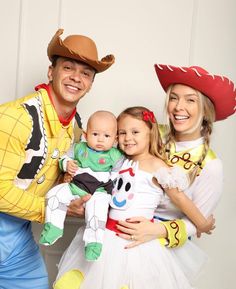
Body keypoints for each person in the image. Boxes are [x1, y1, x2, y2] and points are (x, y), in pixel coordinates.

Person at [53, 106, 216, 289]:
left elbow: (180, 199)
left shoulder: (157, 166)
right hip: (105, 236)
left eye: (135, 132)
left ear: (150, 133)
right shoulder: (117, 161)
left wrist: (201, 224)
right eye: (122, 133)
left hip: (136, 244)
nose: (128, 138)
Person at [0, 28, 114, 289]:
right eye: (68, 68)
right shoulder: (14, 117)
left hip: (17, 237)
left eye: (85, 73)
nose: (76, 78)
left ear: (91, 84)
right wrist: (56, 208)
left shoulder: (76, 128)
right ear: (51, 72)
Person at [115, 64, 235, 281]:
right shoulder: (150, 133)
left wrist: (155, 230)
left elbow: (196, 223)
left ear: (205, 109)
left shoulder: (211, 165)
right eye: (174, 98)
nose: (179, 107)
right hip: (119, 232)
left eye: (190, 100)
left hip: (162, 248)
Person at [39, 110, 124, 261]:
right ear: (85, 134)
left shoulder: (115, 155)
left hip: (99, 191)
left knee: (97, 213)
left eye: (107, 136)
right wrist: (67, 164)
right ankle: (53, 227)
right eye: (95, 134)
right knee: (54, 194)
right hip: (75, 186)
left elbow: (118, 174)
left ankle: (93, 243)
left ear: (115, 139)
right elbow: (64, 158)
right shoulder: (79, 148)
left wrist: (112, 185)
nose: (100, 140)